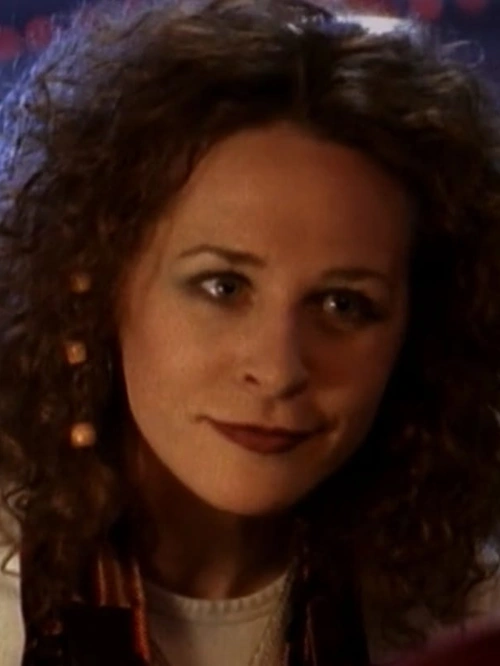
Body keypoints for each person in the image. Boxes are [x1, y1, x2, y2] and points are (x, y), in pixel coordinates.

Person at [0, 0, 500, 664]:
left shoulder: (462, 624)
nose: (279, 369)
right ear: (96, 282)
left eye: (344, 304)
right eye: (223, 287)